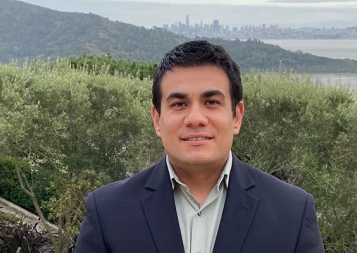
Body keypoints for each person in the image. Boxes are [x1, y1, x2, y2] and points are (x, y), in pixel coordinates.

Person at [75, 40, 325, 253]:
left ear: (236, 116)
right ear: (157, 120)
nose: (195, 118)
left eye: (212, 102)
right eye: (179, 104)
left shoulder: (292, 212)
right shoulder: (107, 212)